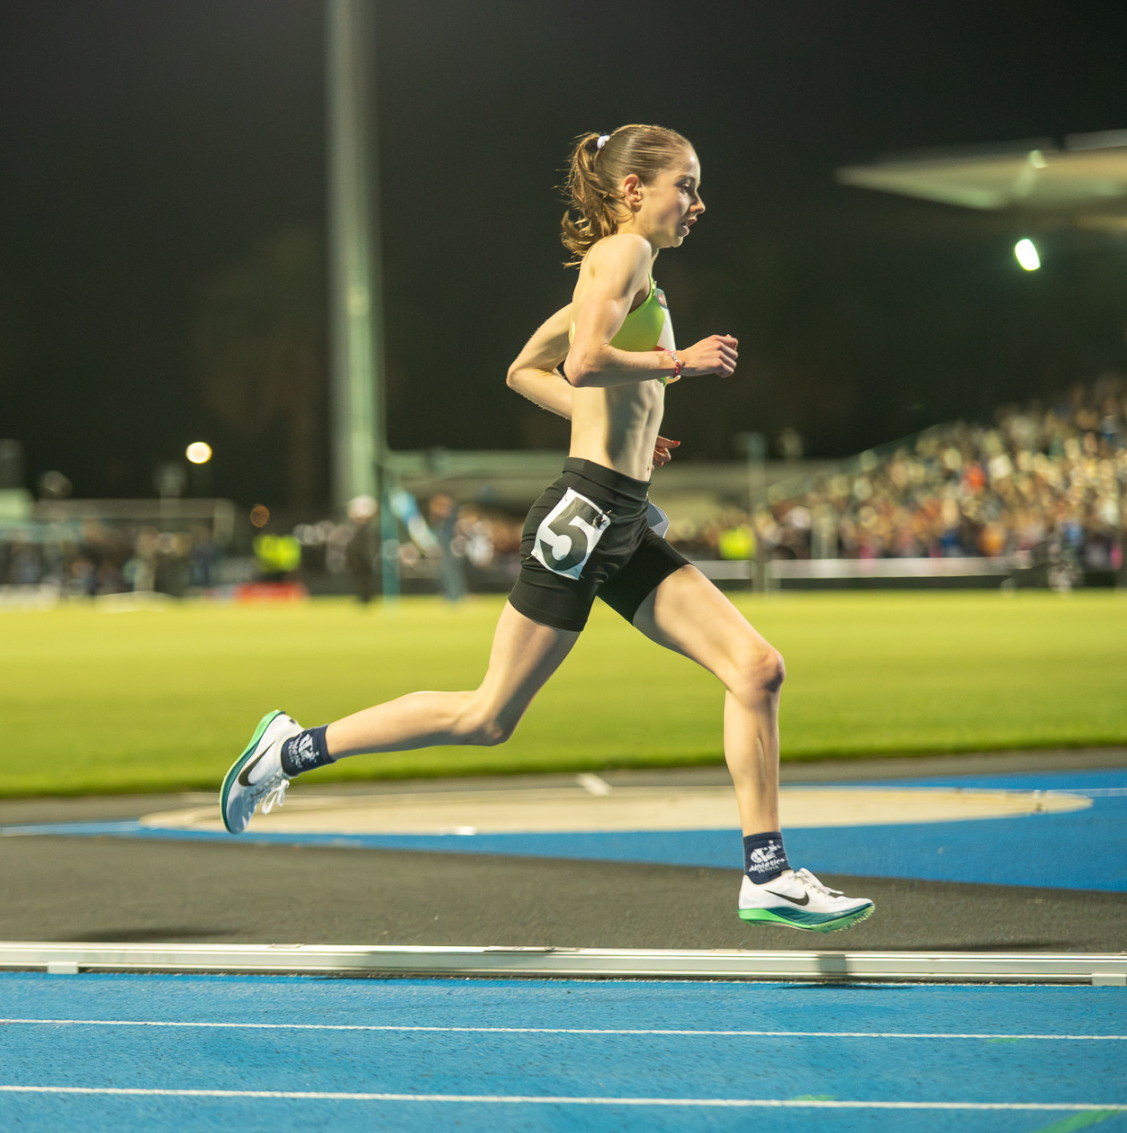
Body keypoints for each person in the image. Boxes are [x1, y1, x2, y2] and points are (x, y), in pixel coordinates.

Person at [219, 125, 873, 933]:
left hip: (622, 517)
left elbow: (526, 371)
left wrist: (623, 423)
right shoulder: (622, 256)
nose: (698, 204)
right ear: (634, 189)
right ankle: (289, 750)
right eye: (686, 186)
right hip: (586, 516)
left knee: (757, 668)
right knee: (486, 716)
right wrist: (681, 363)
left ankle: (767, 875)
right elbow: (586, 361)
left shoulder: (627, 268)